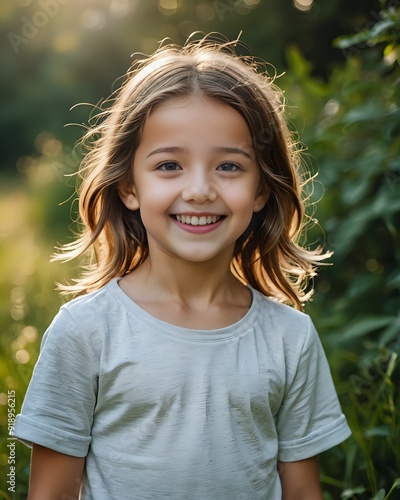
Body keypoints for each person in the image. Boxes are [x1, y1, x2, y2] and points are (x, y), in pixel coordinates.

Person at [15, 35, 351, 499]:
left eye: (229, 167)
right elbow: (50, 493)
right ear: (128, 186)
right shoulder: (84, 331)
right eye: (169, 165)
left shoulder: (289, 337)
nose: (199, 190)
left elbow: (302, 492)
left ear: (260, 190)